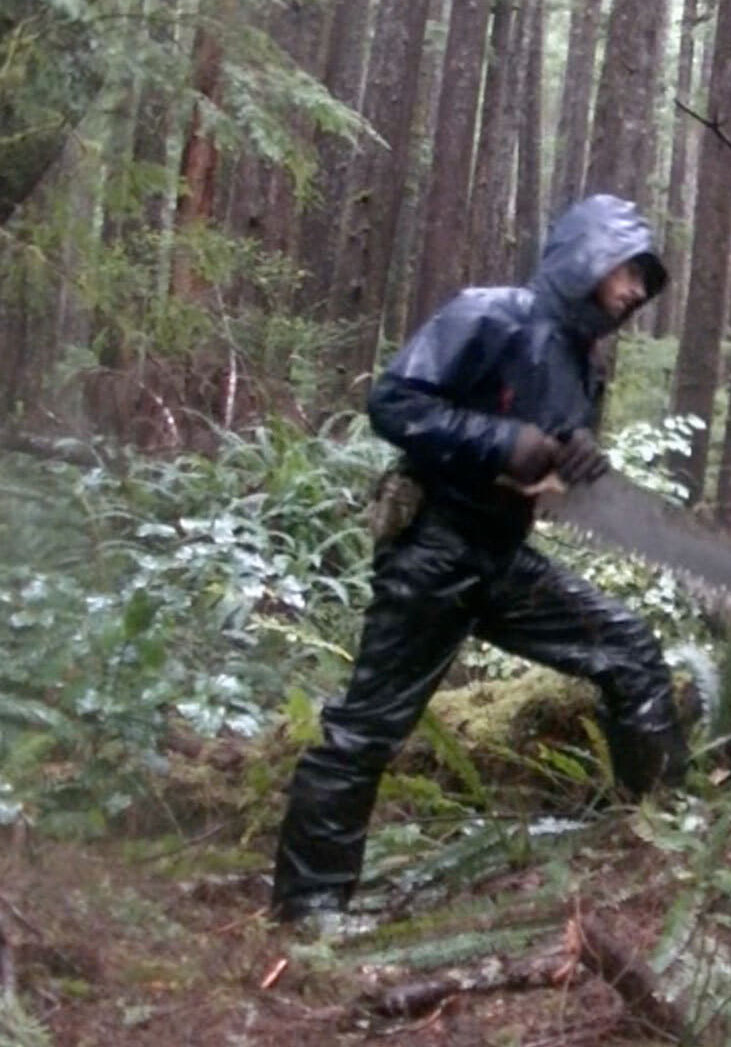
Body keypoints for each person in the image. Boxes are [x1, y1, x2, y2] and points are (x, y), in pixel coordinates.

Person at [270, 194, 690, 924]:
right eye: (627, 272)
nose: (633, 293)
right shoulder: (489, 314)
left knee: (628, 650)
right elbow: (394, 403)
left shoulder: (584, 361)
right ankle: (309, 906)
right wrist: (501, 442)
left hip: (502, 557)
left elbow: (549, 460)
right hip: (434, 551)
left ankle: (659, 843)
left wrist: (578, 454)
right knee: (369, 728)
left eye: (643, 283)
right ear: (586, 257)